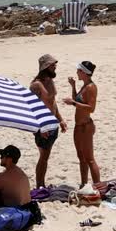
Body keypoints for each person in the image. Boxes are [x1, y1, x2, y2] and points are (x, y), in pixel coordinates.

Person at [30, 54, 68, 188]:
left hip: (53, 124)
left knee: (46, 157)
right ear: (45, 67)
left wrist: (61, 119)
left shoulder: (50, 81)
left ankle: (42, 185)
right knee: (43, 157)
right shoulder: (36, 85)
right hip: (43, 126)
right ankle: (40, 185)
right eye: (52, 65)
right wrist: (40, 128)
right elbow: (32, 109)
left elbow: (53, 102)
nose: (55, 67)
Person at [65, 61, 101, 187]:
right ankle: (84, 184)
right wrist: (73, 86)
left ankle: (98, 186)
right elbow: (77, 100)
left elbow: (91, 108)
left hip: (86, 126)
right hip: (79, 126)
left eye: (78, 71)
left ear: (84, 72)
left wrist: (73, 103)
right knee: (81, 158)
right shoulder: (84, 86)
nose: (77, 73)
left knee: (90, 159)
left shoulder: (91, 87)